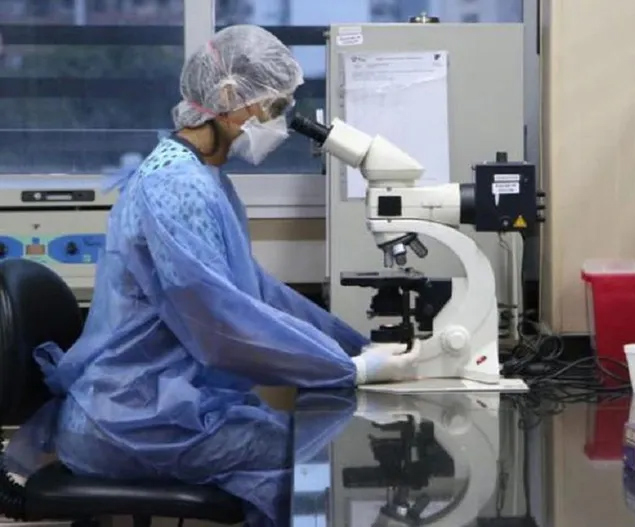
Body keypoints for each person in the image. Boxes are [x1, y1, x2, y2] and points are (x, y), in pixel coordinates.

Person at [14, 25, 420, 527]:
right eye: (273, 107)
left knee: (313, 446)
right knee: (322, 461)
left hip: (166, 407)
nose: (278, 123)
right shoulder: (174, 186)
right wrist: (349, 370)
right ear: (228, 98)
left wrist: (356, 348)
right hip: (135, 420)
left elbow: (258, 294)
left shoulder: (205, 179)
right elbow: (218, 323)